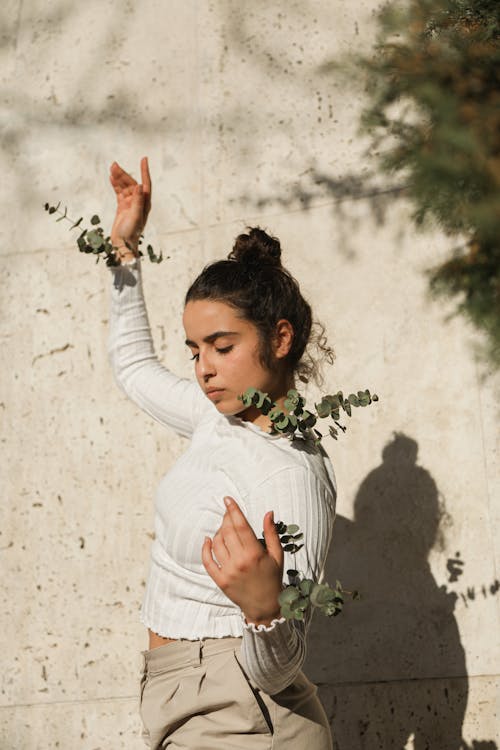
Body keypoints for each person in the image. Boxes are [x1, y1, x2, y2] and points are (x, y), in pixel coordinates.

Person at [108, 157, 336, 749]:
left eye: (222, 345)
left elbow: (278, 668)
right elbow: (134, 368)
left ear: (279, 338)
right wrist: (125, 253)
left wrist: (265, 610)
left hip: (242, 718)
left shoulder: (291, 474)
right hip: (186, 698)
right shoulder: (218, 416)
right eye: (194, 349)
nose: (204, 368)